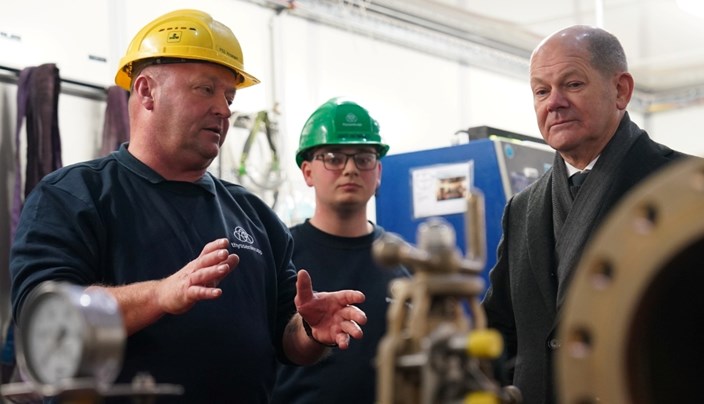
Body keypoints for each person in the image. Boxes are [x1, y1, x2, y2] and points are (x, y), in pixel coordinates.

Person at [9, 9, 367, 403]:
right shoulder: (72, 196)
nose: (225, 109)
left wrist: (311, 331)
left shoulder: (255, 215)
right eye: (206, 89)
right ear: (146, 91)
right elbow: (45, 323)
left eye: (229, 96)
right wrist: (160, 295)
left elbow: (287, 340)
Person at [482, 25, 694, 404]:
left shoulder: (686, 186)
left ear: (621, 90)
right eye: (542, 91)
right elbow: (500, 328)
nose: (554, 102)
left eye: (573, 84)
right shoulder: (522, 208)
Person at [271, 98, 410, 403]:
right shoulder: (279, 257)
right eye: (333, 157)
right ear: (307, 172)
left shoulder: (406, 262)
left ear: (379, 172)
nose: (350, 169)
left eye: (364, 158)